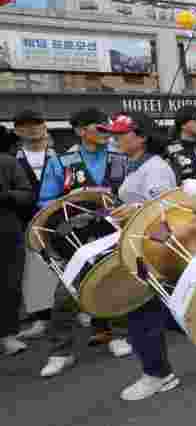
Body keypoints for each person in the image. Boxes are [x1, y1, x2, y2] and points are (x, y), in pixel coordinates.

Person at [38, 108, 132, 379]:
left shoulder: (120, 158)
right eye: (98, 127)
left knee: (117, 282)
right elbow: (45, 200)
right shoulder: (60, 162)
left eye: (107, 127)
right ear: (80, 131)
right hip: (74, 235)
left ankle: (118, 334)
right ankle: (60, 352)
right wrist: (67, 209)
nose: (105, 132)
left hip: (113, 230)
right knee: (66, 291)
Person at [94, 112, 181, 401]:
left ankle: (158, 374)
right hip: (137, 244)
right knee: (163, 310)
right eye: (113, 134)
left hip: (150, 248)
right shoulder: (134, 164)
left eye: (120, 134)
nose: (114, 139)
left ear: (141, 136)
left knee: (140, 311)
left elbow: (166, 212)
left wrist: (134, 213)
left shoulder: (155, 168)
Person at [13, 110, 60, 340]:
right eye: (25, 125)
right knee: (35, 270)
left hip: (61, 221)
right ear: (16, 131)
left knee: (69, 264)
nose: (32, 129)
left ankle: (84, 310)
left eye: (36, 123)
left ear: (45, 126)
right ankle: (42, 318)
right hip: (27, 221)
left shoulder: (60, 155)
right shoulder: (13, 159)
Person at [0, 147, 34, 355]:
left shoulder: (7, 162)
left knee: (8, 284)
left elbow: (27, 195)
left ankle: (7, 336)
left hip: (6, 230)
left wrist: (6, 195)